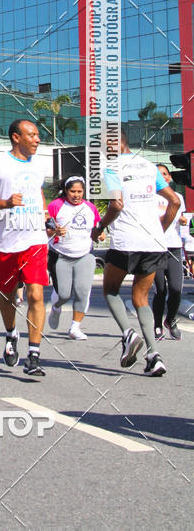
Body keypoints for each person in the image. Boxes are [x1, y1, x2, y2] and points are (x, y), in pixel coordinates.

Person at [93, 129, 180, 377]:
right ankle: (154, 355)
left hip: (126, 241)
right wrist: (160, 230)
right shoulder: (149, 166)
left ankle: (128, 334)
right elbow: (174, 201)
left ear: (115, 143)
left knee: (110, 289)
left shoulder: (111, 168)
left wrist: (99, 226)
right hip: (153, 243)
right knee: (141, 298)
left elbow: (116, 204)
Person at [0, 119, 49, 376]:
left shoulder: (39, 165)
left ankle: (34, 355)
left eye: (38, 135)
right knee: (8, 296)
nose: (37, 139)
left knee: (36, 294)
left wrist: (46, 217)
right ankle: (10, 335)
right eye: (32, 135)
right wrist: (5, 203)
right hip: (5, 241)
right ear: (16, 137)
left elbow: (38, 193)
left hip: (35, 240)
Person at [46, 176, 103, 340]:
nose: (76, 195)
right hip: (61, 255)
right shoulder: (55, 206)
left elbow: (96, 229)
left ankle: (75, 328)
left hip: (85, 255)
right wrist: (54, 231)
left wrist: (99, 235)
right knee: (63, 294)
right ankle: (56, 307)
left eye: (80, 191)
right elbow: (47, 229)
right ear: (65, 190)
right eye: (73, 191)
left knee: (83, 292)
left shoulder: (90, 208)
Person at [152, 164, 186, 341]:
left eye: (164, 174)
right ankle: (157, 325)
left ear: (169, 178)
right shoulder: (148, 198)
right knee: (160, 289)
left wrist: (182, 219)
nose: (162, 176)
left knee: (175, 288)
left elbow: (181, 219)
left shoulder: (178, 197)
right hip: (154, 249)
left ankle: (170, 319)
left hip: (173, 247)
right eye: (158, 174)